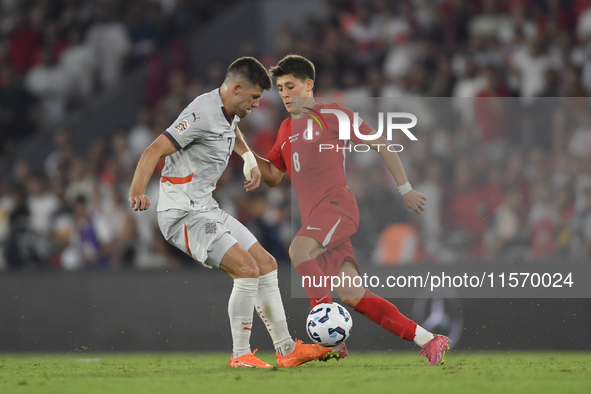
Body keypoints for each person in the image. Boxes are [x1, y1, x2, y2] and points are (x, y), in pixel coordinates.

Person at [129, 57, 346, 368]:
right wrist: (137, 191)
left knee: (266, 264)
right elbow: (153, 150)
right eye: (255, 97)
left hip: (207, 209)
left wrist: (247, 157)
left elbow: (232, 132)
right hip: (181, 215)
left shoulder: (228, 110)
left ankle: (286, 350)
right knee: (246, 269)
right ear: (237, 88)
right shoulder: (200, 113)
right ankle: (240, 354)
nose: (257, 104)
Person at [235, 54, 450, 366]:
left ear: (309, 85)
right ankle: (429, 340)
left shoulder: (333, 115)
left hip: (337, 208)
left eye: (290, 86)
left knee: (298, 250)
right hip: (319, 222)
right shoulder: (284, 129)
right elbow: (273, 175)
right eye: (280, 88)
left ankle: (329, 341)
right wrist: (246, 155)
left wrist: (405, 189)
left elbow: (381, 143)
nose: (285, 94)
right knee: (352, 295)